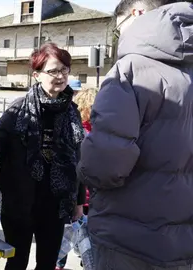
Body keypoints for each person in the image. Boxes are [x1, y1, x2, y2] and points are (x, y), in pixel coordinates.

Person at [77, 1, 193, 269]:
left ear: (137, 13)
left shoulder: (131, 70)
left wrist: (82, 169)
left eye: (118, 29)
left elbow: (104, 166)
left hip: (130, 240)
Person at [0, 43, 86, 270]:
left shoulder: (73, 112)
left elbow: (79, 159)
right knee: (16, 262)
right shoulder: (19, 109)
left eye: (65, 70)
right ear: (37, 75)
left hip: (56, 204)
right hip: (19, 201)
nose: (60, 76)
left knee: (47, 263)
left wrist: (77, 202)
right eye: (53, 71)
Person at [56, 88, 97, 270]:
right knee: (88, 246)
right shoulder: (96, 134)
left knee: (62, 244)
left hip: (73, 197)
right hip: (89, 199)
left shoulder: (74, 130)